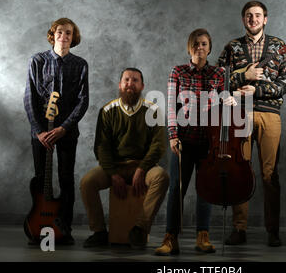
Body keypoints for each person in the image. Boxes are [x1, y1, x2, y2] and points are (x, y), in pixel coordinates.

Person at [217, 1, 286, 247]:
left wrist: (257, 90)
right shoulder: (233, 47)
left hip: (270, 115)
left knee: (270, 174)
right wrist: (243, 76)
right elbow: (218, 80)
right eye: (249, 15)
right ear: (243, 19)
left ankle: (273, 230)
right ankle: (239, 229)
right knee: (241, 170)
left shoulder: (280, 46)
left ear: (266, 19)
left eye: (258, 15)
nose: (253, 19)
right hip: (240, 114)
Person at [155, 28, 226, 256]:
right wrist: (173, 135)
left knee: (205, 189)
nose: (200, 47)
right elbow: (170, 107)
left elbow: (223, 106)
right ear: (189, 47)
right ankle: (170, 237)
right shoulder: (178, 72)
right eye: (196, 44)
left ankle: (202, 236)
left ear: (209, 48)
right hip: (183, 140)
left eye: (204, 44)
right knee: (177, 188)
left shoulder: (218, 74)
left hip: (208, 141)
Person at [80, 68, 169, 248]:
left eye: (135, 80)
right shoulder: (107, 110)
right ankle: (99, 232)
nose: (130, 84)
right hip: (116, 166)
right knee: (87, 182)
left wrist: (142, 169)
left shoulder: (153, 110)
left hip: (144, 166)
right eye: (126, 80)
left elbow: (158, 146)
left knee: (162, 177)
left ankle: (140, 228)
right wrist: (112, 173)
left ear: (142, 86)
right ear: (120, 85)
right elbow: (101, 147)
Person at [24, 18, 89, 245]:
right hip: (41, 134)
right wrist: (39, 131)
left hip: (67, 132)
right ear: (53, 35)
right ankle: (41, 226)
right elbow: (29, 98)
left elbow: (83, 101)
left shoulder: (80, 64)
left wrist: (63, 128)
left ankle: (63, 228)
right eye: (60, 32)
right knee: (42, 180)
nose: (64, 36)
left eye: (69, 33)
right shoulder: (37, 61)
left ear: (74, 37)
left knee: (65, 179)